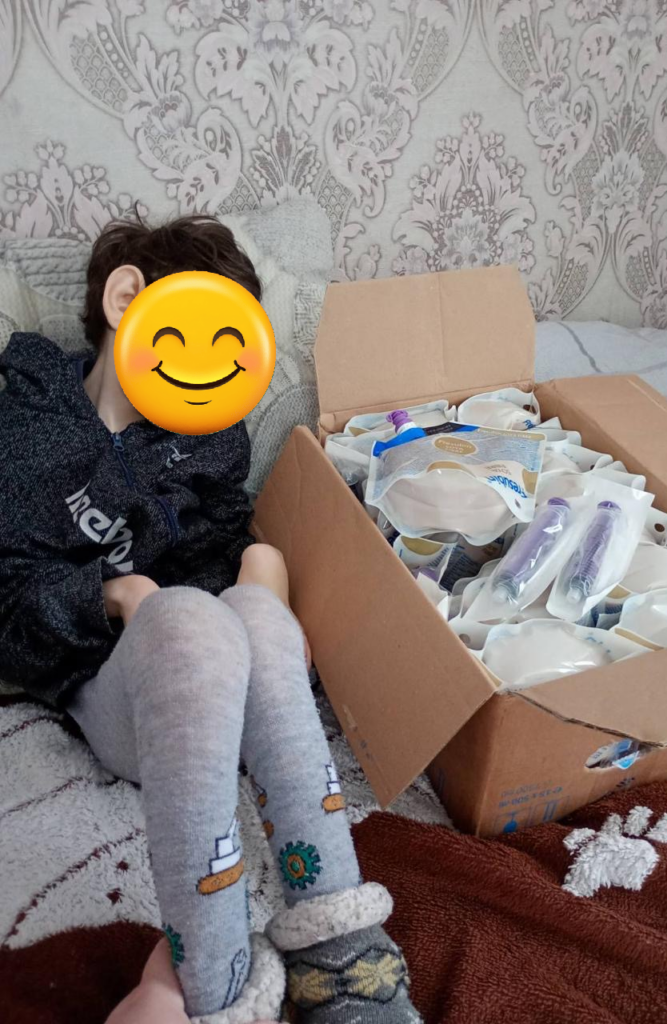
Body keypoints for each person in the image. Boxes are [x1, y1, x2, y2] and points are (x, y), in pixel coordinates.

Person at [0, 216, 421, 1024]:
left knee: (252, 598)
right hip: (120, 691)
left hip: (224, 690)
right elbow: (10, 603)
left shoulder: (208, 439)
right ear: (127, 299)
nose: (214, 365)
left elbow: (221, 541)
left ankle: (343, 960)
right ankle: (216, 988)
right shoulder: (28, 425)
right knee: (186, 618)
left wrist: (263, 574)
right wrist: (117, 595)